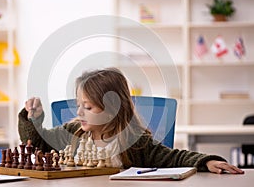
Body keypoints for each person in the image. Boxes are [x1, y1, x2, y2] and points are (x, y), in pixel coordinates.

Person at [18, 67, 244, 174]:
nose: (79, 112)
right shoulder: (73, 133)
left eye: (88, 107)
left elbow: (174, 157)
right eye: (78, 105)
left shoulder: (134, 142)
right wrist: (34, 118)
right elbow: (36, 147)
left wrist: (205, 161)